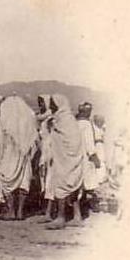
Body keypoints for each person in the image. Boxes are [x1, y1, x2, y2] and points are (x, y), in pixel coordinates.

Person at [0, 95, 38, 220]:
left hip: (7, 158)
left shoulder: (3, 123)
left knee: (8, 183)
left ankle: (11, 211)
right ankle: (20, 212)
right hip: (24, 157)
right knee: (23, 183)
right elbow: (34, 143)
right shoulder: (27, 124)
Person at [46, 94, 86, 229]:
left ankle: (61, 217)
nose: (51, 107)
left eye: (53, 104)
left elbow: (71, 141)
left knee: (63, 186)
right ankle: (76, 216)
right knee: (72, 185)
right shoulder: (65, 119)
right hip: (67, 159)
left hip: (66, 160)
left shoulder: (64, 120)